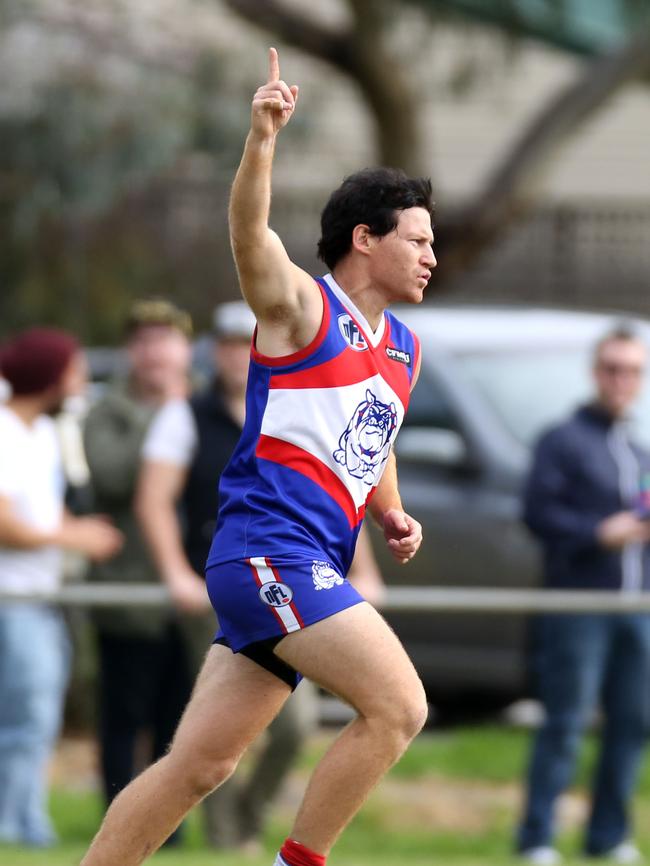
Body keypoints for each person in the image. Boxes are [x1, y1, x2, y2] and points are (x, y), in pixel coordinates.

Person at [80, 45, 435, 866]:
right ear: (363, 239)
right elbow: (248, 234)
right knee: (399, 707)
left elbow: (373, 436)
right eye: (415, 239)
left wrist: (389, 508)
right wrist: (262, 138)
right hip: (270, 554)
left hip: (306, 561)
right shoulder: (304, 307)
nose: (430, 255)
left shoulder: (405, 348)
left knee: (198, 765)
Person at [136, 300, 386, 852]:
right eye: (226, 344)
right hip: (237, 579)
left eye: (242, 340)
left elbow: (344, 484)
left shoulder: (301, 401)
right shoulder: (188, 414)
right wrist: (178, 574)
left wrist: (366, 561)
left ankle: (242, 829)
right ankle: (232, 840)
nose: (236, 353)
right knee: (395, 706)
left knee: (215, 754)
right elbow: (154, 501)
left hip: (292, 574)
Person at [516, 326, 650, 865]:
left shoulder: (639, 447)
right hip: (577, 606)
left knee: (634, 723)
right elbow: (536, 514)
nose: (621, 380)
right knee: (566, 722)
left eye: (632, 371)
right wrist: (598, 532)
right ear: (596, 373)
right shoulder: (562, 440)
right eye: (612, 368)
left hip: (638, 609)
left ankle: (609, 835)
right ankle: (538, 839)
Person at [0, 328, 122, 847]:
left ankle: (27, 823)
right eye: (72, 370)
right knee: (26, 717)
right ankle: (13, 827)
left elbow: (41, 514)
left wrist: (70, 528)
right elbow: (7, 525)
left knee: (37, 716)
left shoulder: (45, 433)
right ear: (50, 377)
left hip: (41, 599)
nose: (80, 381)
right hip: (11, 600)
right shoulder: (4, 430)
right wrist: (79, 535)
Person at [82, 300, 195, 815]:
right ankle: (115, 822)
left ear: (186, 348)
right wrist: (169, 422)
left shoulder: (210, 402)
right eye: (144, 340)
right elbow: (111, 478)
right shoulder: (107, 411)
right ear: (130, 351)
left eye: (166, 339)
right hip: (129, 589)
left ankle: (168, 831)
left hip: (196, 589)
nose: (156, 352)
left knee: (181, 720)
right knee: (124, 716)